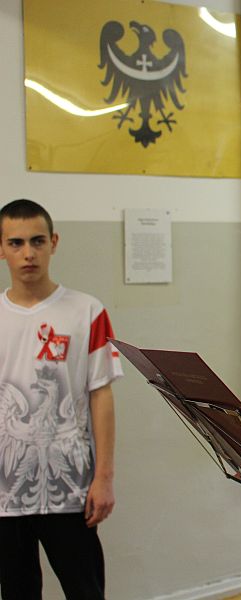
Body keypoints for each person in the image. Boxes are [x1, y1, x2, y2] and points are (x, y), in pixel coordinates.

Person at [0, 199, 123, 599]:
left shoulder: (87, 312)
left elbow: (101, 395)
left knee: (85, 591)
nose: (28, 253)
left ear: (53, 243)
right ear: (1, 248)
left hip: (70, 488)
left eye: (37, 241)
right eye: (16, 243)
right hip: (6, 493)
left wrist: (104, 478)